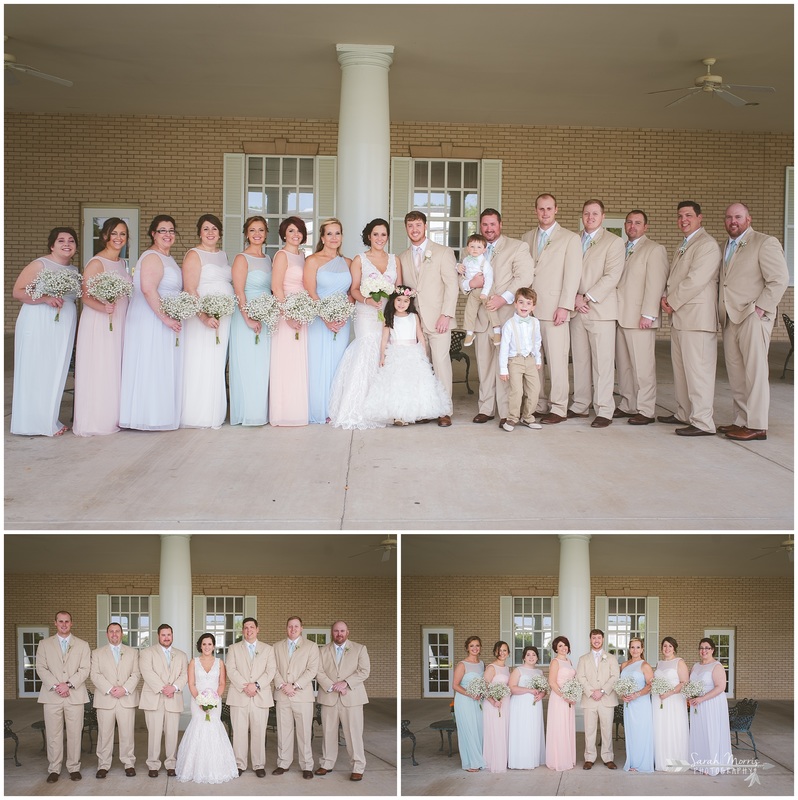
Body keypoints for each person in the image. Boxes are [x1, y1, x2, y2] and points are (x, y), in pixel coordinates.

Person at [717, 203, 790, 441]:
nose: (732, 221)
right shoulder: (725, 245)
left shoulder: (765, 242)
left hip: (752, 316)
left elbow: (779, 279)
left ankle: (757, 424)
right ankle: (742, 419)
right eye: (729, 217)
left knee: (755, 373)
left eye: (738, 217)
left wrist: (760, 309)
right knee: (737, 373)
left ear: (748, 219)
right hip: (729, 317)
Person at [329, 218, 400, 429]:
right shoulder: (360, 259)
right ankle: (360, 407)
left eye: (384, 234)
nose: (380, 238)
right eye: (376, 234)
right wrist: (368, 300)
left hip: (387, 314)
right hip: (366, 313)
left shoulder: (395, 260)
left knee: (386, 352)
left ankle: (386, 406)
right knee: (368, 349)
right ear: (369, 236)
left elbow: (398, 289)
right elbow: (354, 289)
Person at [11, 227, 81, 436]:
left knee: (55, 370)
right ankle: (31, 423)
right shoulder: (40, 264)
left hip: (63, 324)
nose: (66, 244)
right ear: (52, 245)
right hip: (39, 321)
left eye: (71, 240)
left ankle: (48, 419)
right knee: (36, 369)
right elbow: (18, 292)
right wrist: (45, 298)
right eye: (61, 240)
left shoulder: (74, 270)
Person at [659, 201, 722, 436]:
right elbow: (674, 277)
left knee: (699, 373)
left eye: (688, 215)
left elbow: (696, 280)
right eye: (680, 216)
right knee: (682, 371)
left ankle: (703, 422)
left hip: (697, 319)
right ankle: (684, 413)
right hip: (681, 319)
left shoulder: (706, 245)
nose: (683, 219)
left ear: (699, 217)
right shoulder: (685, 244)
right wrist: (666, 296)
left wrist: (672, 301)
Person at [470, 209, 534, 427]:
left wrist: (504, 298)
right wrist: (470, 284)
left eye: (492, 224)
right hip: (481, 317)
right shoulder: (473, 250)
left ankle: (507, 412)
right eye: (485, 225)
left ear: (500, 225)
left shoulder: (517, 247)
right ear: (480, 227)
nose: (489, 229)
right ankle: (485, 408)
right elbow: (465, 282)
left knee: (505, 365)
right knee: (484, 366)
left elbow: (524, 277)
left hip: (506, 317)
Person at [119, 215, 183, 431]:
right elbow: (148, 289)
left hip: (163, 317)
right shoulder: (152, 257)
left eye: (171, 230)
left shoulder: (168, 258)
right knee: (152, 362)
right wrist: (165, 318)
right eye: (162, 230)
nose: (168, 234)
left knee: (160, 365)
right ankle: (150, 416)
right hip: (152, 319)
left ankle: (159, 413)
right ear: (153, 234)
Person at [522, 194, 581, 424]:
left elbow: (573, 274)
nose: (545, 213)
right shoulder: (526, 237)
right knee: (534, 361)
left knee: (556, 362)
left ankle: (558, 408)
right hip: (530, 310)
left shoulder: (569, 238)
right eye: (540, 209)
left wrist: (565, 306)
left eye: (549, 209)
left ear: (556, 210)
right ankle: (539, 403)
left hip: (556, 308)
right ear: (535, 210)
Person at [73, 218, 133, 436]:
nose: (119, 238)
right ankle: (97, 420)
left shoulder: (121, 263)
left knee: (114, 366)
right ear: (105, 236)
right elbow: (85, 296)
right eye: (114, 233)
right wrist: (103, 307)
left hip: (118, 320)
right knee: (100, 366)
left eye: (123, 234)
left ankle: (114, 415)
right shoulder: (96, 263)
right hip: (100, 321)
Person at [399, 210, 459, 426]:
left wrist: (446, 314)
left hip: (438, 319)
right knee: (421, 366)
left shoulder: (443, 252)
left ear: (425, 226)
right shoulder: (403, 257)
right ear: (406, 229)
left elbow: (452, 285)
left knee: (441, 363)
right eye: (410, 226)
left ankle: (444, 410)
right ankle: (425, 407)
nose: (414, 229)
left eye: (418, 225)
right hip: (414, 322)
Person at [568, 199, 625, 428]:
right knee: (580, 360)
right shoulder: (574, 240)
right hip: (575, 307)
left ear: (602, 216)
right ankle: (580, 404)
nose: (590, 217)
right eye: (586, 213)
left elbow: (612, 276)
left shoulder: (614, 242)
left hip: (599, 309)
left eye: (595, 213)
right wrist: (573, 297)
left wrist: (587, 297)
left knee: (602, 362)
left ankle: (604, 409)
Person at [362, 287, 452, 425]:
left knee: (415, 383)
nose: (401, 304)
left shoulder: (414, 316)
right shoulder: (389, 317)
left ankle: (418, 413)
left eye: (405, 301)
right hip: (396, 353)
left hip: (413, 353)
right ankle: (399, 415)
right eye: (398, 300)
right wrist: (382, 356)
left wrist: (424, 353)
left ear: (410, 302)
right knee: (398, 384)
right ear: (393, 301)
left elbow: (420, 335)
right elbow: (384, 339)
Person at [614, 210, 669, 425]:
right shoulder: (622, 248)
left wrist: (648, 314)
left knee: (643, 367)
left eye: (638, 223)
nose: (632, 226)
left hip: (640, 318)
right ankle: (628, 404)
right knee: (625, 365)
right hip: (621, 316)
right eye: (629, 222)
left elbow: (656, 283)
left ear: (646, 227)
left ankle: (646, 409)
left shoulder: (654, 250)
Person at [179, 214, 234, 429]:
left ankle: (214, 411)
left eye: (214, 228)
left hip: (224, 317)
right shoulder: (194, 254)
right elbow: (190, 289)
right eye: (205, 229)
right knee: (200, 361)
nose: (210, 232)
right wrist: (204, 316)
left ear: (220, 232)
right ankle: (197, 414)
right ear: (199, 232)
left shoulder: (223, 255)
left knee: (217, 364)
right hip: (203, 318)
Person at [305, 218, 353, 424]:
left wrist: (344, 312)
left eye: (338, 233)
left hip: (343, 321)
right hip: (319, 319)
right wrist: (325, 316)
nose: (334, 238)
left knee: (338, 363)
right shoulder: (313, 260)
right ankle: (319, 409)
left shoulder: (349, 262)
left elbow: (352, 292)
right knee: (318, 363)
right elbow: (310, 291)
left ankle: (335, 408)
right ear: (323, 237)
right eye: (330, 234)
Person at [35, 611, 91, 783]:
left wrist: (68, 685)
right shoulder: (44, 644)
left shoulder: (82, 645)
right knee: (54, 734)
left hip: (75, 696)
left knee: (75, 733)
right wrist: (57, 686)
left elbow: (84, 669)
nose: (64, 624)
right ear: (55, 623)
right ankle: (54, 768)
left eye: (67, 621)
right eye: (61, 621)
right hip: (52, 696)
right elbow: (41, 668)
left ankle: (74, 767)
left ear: (72, 623)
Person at [175, 633, 238, 784]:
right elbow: (191, 683)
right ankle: (194, 767)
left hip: (215, 701)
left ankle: (217, 768)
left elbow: (222, 683)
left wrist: (214, 698)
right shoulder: (193, 662)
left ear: (214, 646)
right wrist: (200, 701)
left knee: (214, 727)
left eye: (210, 644)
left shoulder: (219, 663)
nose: (207, 647)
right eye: (204, 644)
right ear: (200, 646)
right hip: (197, 701)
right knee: (199, 727)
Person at [230, 215, 273, 425]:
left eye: (261, 230)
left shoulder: (268, 259)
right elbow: (239, 291)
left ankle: (259, 411)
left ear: (266, 234)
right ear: (246, 233)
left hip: (265, 317)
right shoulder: (241, 258)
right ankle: (247, 412)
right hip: (246, 316)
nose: (257, 234)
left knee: (262, 364)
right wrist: (247, 318)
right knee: (247, 362)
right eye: (253, 230)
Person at [315, 621, 371, 782]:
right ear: (331, 632)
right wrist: (333, 686)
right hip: (329, 697)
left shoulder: (359, 649)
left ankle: (358, 767)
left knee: (354, 734)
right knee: (328, 733)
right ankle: (326, 763)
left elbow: (364, 671)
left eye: (342, 631)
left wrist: (345, 683)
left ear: (348, 632)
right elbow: (318, 672)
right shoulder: (322, 651)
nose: (339, 634)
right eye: (336, 631)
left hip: (352, 698)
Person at [270, 216, 310, 426]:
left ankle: (298, 410)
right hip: (287, 316)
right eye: (291, 231)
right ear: (284, 233)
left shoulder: (303, 257)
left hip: (302, 314)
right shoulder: (281, 256)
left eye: (299, 231)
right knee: (285, 363)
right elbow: (277, 287)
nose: (296, 235)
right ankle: (283, 412)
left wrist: (303, 312)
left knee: (299, 363)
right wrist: (288, 316)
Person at [225, 617, 276, 777]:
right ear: (243, 631)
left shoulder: (268, 649)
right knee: (239, 732)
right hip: (239, 696)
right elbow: (231, 669)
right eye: (246, 628)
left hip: (260, 696)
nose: (249, 630)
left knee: (259, 732)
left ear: (257, 629)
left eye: (251, 627)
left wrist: (257, 685)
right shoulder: (233, 648)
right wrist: (245, 686)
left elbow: (271, 671)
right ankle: (239, 764)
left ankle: (258, 764)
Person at [90, 622, 141, 778]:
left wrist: (124, 689)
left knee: (127, 734)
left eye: (117, 631)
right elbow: (95, 675)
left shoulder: (132, 652)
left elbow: (136, 674)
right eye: (111, 631)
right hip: (106, 699)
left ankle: (129, 763)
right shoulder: (97, 653)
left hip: (126, 699)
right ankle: (103, 765)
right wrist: (110, 689)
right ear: (107, 634)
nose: (114, 634)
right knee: (105, 734)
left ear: (122, 633)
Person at [272, 616, 320, 779]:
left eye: (296, 626)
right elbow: (273, 668)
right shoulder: (277, 646)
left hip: (302, 696)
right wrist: (282, 685)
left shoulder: (311, 646)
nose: (293, 629)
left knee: (304, 732)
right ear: (286, 628)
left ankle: (307, 765)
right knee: (283, 731)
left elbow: (312, 670)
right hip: (283, 694)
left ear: (302, 628)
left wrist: (295, 685)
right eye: (290, 626)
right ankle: (283, 763)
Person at [138, 623, 188, 778]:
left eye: (169, 635)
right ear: (158, 636)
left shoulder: (181, 655)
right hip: (154, 698)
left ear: (172, 636)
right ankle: (153, 764)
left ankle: (171, 763)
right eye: (163, 635)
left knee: (172, 733)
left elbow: (185, 674)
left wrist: (173, 687)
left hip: (173, 698)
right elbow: (147, 672)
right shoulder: (147, 653)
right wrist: (163, 688)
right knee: (154, 733)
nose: (166, 638)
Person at [498, 287, 543, 432]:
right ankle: (512, 418)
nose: (524, 306)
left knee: (534, 390)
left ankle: (528, 417)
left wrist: (538, 360)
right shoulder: (509, 324)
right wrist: (503, 369)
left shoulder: (535, 322)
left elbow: (537, 342)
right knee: (516, 391)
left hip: (530, 360)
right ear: (515, 304)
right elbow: (504, 348)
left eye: (528, 303)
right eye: (521, 302)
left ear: (533, 306)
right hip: (515, 361)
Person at [688, 638, 733, 775]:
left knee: (710, 731)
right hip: (697, 704)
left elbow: (721, 687)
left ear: (712, 650)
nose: (703, 651)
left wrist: (702, 698)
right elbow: (691, 685)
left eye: (707, 648)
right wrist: (690, 696)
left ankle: (711, 764)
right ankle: (699, 762)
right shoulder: (696, 666)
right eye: (701, 648)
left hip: (711, 703)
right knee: (699, 731)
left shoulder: (716, 666)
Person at [576, 628, 619, 769]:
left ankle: (608, 757)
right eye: (594, 638)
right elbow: (580, 677)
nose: (596, 640)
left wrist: (601, 691)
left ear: (603, 639)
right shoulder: (583, 659)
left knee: (607, 730)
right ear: (590, 640)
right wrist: (591, 691)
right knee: (589, 730)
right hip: (589, 699)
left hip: (606, 699)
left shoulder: (611, 658)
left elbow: (615, 677)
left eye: (599, 638)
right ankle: (589, 757)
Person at [652, 636, 689, 771]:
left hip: (674, 700)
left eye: (670, 646)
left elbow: (684, 682)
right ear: (661, 648)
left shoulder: (679, 662)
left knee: (673, 727)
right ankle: (661, 760)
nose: (667, 648)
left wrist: (669, 693)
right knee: (660, 728)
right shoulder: (659, 663)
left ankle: (675, 761)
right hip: (658, 700)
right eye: (665, 646)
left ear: (674, 648)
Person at [618, 637, 653, 773]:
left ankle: (641, 763)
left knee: (641, 732)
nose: (635, 650)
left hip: (641, 704)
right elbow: (620, 685)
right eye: (632, 647)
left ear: (642, 649)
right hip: (628, 704)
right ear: (629, 648)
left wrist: (636, 695)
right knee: (631, 733)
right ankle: (632, 760)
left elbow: (650, 686)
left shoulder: (645, 665)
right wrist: (623, 695)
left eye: (638, 647)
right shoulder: (624, 665)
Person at [452, 636, 487, 772]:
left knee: (478, 729)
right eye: (472, 646)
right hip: (465, 701)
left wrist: (481, 693)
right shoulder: (462, 664)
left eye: (477, 645)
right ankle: (471, 762)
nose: (475, 648)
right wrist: (470, 694)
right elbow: (455, 685)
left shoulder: (481, 664)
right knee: (469, 729)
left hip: (479, 701)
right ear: (467, 648)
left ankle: (479, 758)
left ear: (480, 648)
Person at [507, 645, 546, 770]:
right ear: (524, 657)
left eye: (534, 654)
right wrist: (529, 690)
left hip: (535, 706)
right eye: (528, 655)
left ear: (537, 657)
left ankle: (532, 758)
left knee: (532, 730)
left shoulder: (540, 672)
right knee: (521, 730)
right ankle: (520, 760)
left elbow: (544, 689)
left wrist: (541, 694)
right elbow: (512, 688)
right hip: (520, 705)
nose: (531, 657)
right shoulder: (518, 670)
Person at [458, 233, 500, 346]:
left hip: (486, 290)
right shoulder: (466, 260)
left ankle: (497, 332)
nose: (475, 249)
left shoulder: (484, 263)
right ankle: (470, 333)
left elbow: (489, 278)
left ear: (484, 250)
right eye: (472, 246)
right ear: (467, 248)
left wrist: (485, 293)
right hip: (474, 291)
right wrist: (457, 267)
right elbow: (462, 273)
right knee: (469, 311)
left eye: (479, 247)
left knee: (490, 309)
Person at [545, 635, 576, 771]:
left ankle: (567, 757)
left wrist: (573, 694)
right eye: (560, 646)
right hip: (559, 698)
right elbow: (552, 682)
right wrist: (565, 696)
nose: (563, 648)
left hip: (569, 698)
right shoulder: (555, 662)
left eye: (565, 645)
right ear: (555, 648)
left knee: (567, 727)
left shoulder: (569, 661)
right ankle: (558, 759)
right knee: (559, 727)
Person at [482, 640, 511, 773]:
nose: (502, 653)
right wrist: (493, 701)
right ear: (495, 652)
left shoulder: (506, 668)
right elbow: (484, 687)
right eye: (499, 650)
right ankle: (493, 760)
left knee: (503, 731)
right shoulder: (491, 668)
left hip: (504, 703)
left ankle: (502, 759)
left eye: (504, 650)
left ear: (508, 652)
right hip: (493, 705)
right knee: (495, 731)